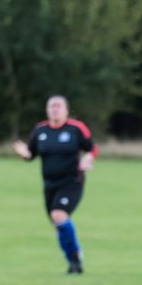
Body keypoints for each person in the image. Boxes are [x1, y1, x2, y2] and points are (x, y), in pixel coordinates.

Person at [12, 95, 96, 274]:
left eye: (58, 106)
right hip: (49, 184)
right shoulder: (40, 130)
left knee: (58, 215)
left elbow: (91, 148)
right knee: (58, 225)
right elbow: (31, 154)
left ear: (66, 110)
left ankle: (75, 253)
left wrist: (88, 158)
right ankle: (74, 262)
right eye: (51, 106)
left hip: (72, 182)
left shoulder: (76, 128)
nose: (55, 109)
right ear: (47, 110)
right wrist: (23, 153)